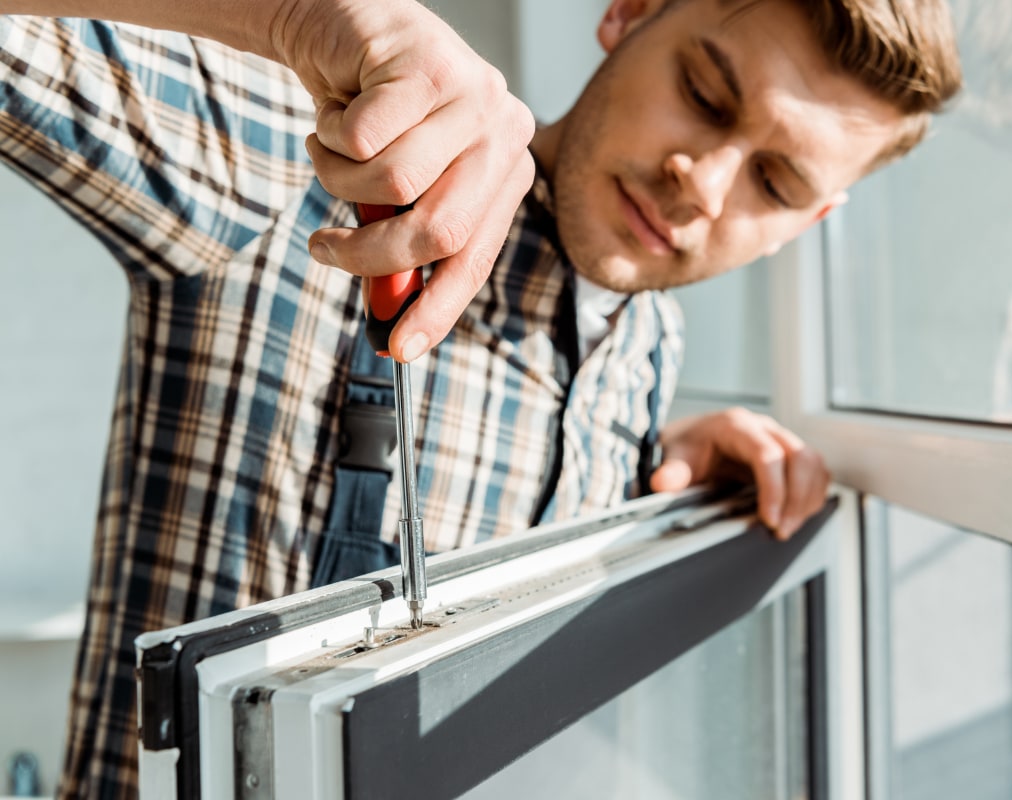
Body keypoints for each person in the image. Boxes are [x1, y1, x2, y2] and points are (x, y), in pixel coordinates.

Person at [0, 0, 961, 796]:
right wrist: (302, 15)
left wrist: (657, 460)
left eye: (778, 181)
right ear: (627, 13)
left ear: (811, 222)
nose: (701, 185)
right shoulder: (310, 169)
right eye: (704, 94)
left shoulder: (646, 344)